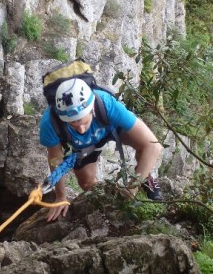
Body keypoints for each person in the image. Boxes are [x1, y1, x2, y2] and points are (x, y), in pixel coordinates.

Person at [39, 78, 163, 221]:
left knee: (144, 146)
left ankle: (144, 177)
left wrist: (130, 192)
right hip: (84, 145)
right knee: (86, 184)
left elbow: (153, 145)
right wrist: (60, 197)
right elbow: (56, 159)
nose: (81, 129)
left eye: (84, 121)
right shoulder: (50, 122)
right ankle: (110, 203)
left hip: (111, 128)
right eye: (73, 124)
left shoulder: (106, 103)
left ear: (91, 108)